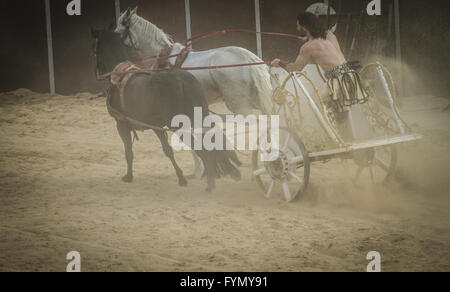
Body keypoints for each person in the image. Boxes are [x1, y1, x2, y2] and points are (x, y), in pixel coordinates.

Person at [271, 12, 368, 112]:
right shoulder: (329, 35)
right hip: (351, 76)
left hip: (339, 80)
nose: (297, 28)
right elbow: (320, 39)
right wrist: (308, 38)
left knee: (312, 102)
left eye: (298, 25)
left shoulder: (308, 47)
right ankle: (337, 124)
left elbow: (295, 68)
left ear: (304, 27)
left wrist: (279, 63)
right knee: (340, 110)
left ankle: (326, 125)